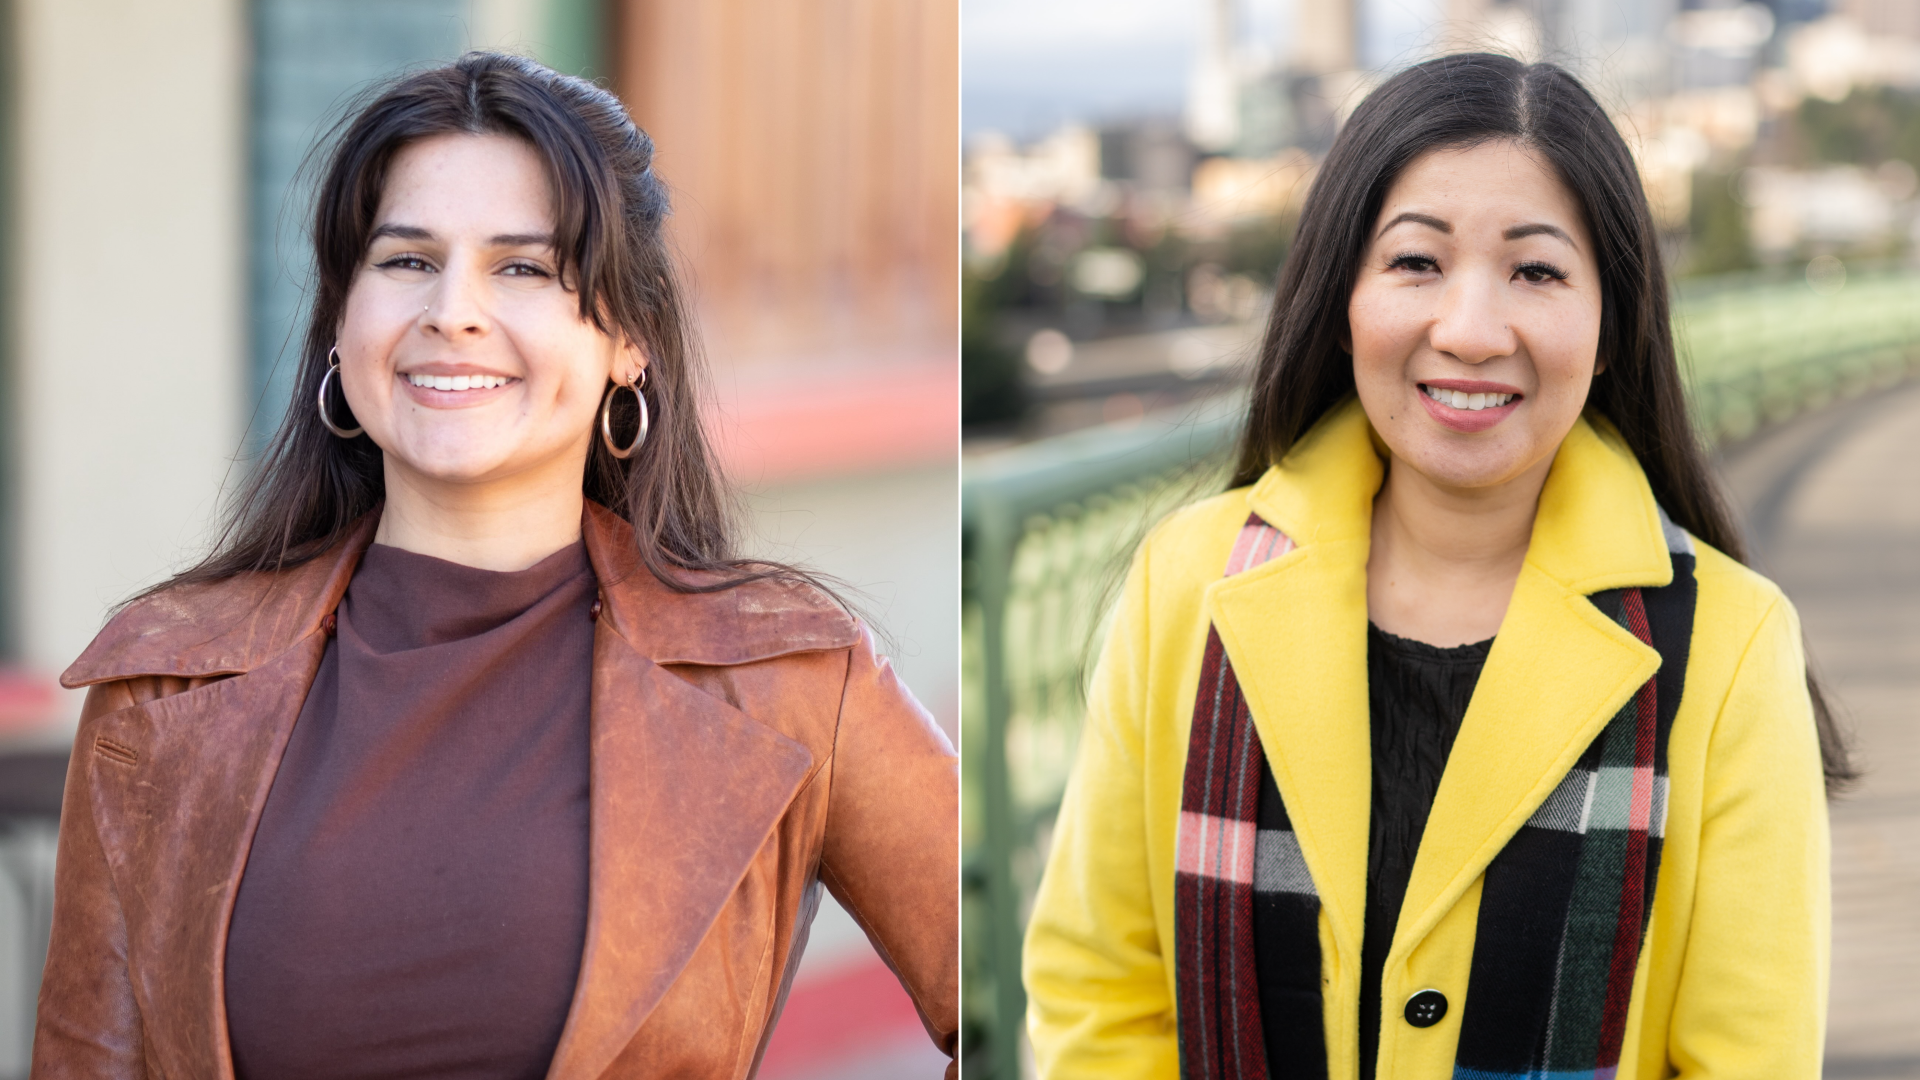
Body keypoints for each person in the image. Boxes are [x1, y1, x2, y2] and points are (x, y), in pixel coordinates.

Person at [33, 53, 956, 1080]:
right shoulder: (166, 686)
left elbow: (1025, 990)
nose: (453, 311)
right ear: (341, 322)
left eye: (523, 268)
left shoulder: (786, 676)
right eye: (406, 260)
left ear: (628, 340)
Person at [1024, 53, 1842, 1080]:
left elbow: (1749, 1057)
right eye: (1416, 262)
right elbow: (1096, 995)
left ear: (1609, 328)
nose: (1469, 331)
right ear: (1341, 299)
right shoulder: (1185, 587)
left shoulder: (1731, 642)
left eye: (1536, 272)